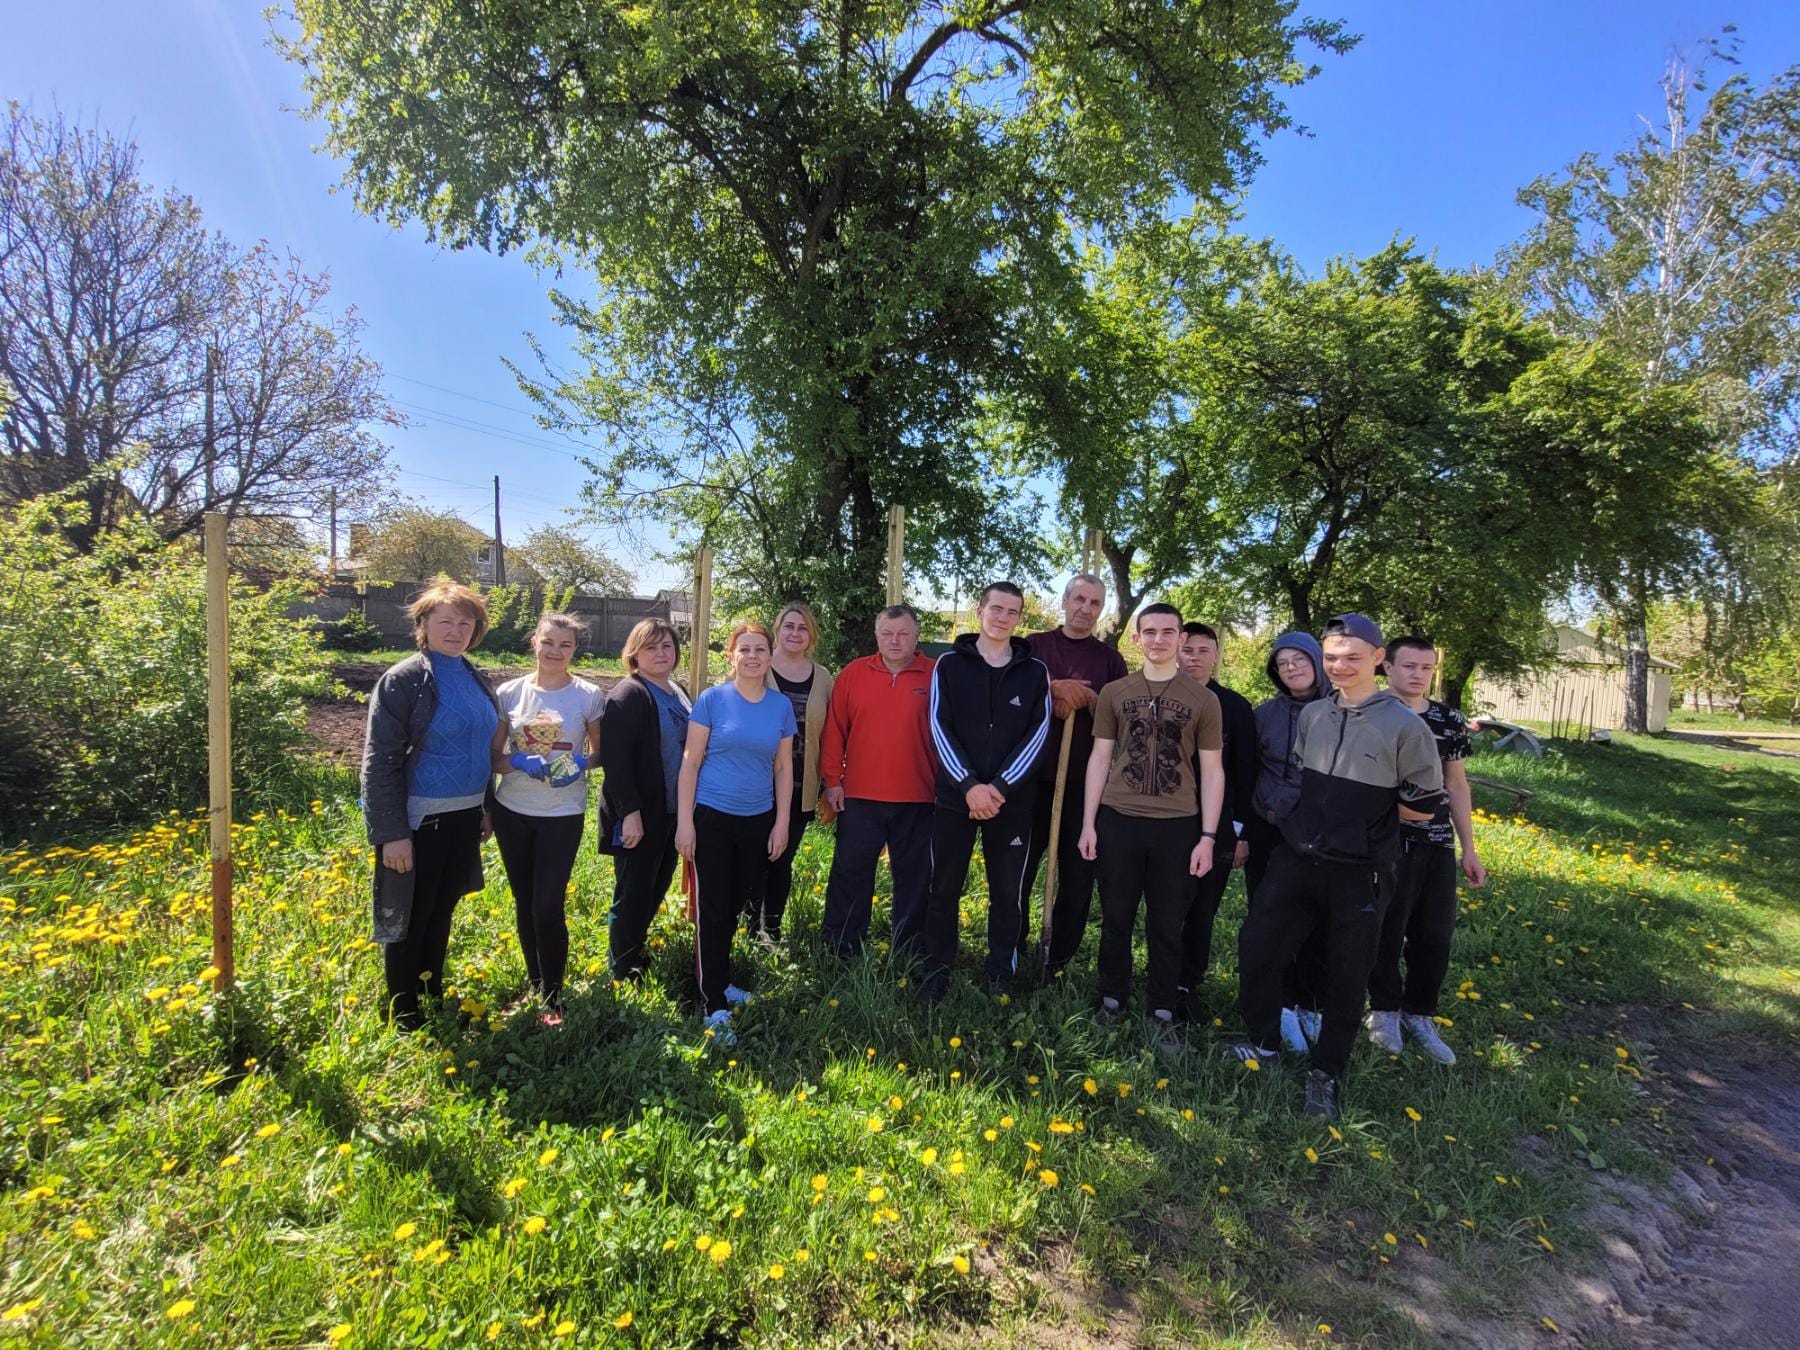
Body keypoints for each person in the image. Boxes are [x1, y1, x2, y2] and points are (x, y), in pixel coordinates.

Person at [1230, 614, 1446, 1121]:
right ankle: (1263, 1043)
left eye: (1352, 657)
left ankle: (1325, 1072)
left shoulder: (1405, 726)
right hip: (1297, 858)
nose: (1340, 666)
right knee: (1257, 948)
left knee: (1347, 975)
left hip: (1359, 870)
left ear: (1378, 659)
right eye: (1331, 657)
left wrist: (1363, 829)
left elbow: (1422, 805)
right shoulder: (1315, 716)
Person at [1077, 603, 1223, 1054]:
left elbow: (1213, 771)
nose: (1159, 640)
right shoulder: (1115, 692)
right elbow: (1100, 758)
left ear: (1181, 638)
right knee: (1116, 918)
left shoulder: (1204, 699)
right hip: (1119, 819)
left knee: (1167, 924)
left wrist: (1208, 836)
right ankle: (1111, 999)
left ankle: (1162, 1010)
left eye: (1168, 632)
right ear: (1136, 638)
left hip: (1177, 826)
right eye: (1150, 632)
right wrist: (1088, 823)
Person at [361, 580, 506, 1030]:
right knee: (412, 918)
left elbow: (481, 749)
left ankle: (431, 998)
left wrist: (486, 806)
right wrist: (392, 834)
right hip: (420, 820)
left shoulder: (476, 677)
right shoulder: (404, 680)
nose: (456, 631)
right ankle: (403, 1014)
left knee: (441, 911)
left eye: (466, 623)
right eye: (446, 621)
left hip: (464, 818)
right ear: (423, 623)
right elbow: (380, 761)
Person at [923, 582, 1051, 998]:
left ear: (1019, 619)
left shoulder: (1035, 672)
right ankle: (936, 968)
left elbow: (1038, 735)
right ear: (980, 611)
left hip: (1011, 804)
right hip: (954, 799)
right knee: (944, 887)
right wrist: (968, 786)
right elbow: (938, 726)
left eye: (1012, 612)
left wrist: (998, 788)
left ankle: (1000, 973)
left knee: (1007, 892)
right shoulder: (948, 665)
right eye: (996, 608)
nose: (1003, 617)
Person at [1365, 635, 1487, 1065]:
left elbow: (1457, 784)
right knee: (1387, 927)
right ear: (1387, 667)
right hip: (1387, 840)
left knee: (1434, 933)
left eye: (1426, 668)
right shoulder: (1370, 711)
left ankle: (1419, 1013)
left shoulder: (1448, 720)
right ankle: (1383, 1010)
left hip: (1435, 841)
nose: (1418, 675)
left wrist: (1469, 848)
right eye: (1409, 666)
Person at [675, 624, 795, 1045]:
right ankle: (712, 1004)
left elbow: (784, 767)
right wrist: (685, 822)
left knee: (737, 904)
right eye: (744, 649)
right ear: (731, 655)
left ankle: (722, 981)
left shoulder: (780, 706)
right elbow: (690, 762)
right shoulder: (712, 700)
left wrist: (781, 822)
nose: (752, 656)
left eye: (760, 649)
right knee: (713, 909)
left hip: (757, 819)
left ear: (770, 656)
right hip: (712, 818)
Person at [489, 613, 604, 1025]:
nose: (556, 651)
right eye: (549, 642)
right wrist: (518, 761)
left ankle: (554, 997)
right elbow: (494, 758)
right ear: (534, 642)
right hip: (513, 811)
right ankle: (535, 984)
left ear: (575, 650)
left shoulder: (588, 695)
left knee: (548, 904)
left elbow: (601, 752)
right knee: (525, 902)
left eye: (565, 644)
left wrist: (581, 764)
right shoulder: (509, 693)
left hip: (562, 812)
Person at [818, 605, 938, 960]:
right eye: (887, 633)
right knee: (850, 874)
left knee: (915, 879)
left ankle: (909, 953)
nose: (894, 641)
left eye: (903, 634)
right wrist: (832, 780)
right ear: (876, 636)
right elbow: (834, 730)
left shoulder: (936, 674)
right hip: (859, 796)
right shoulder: (854, 673)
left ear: (917, 636)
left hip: (920, 796)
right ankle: (840, 949)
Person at [1024, 574, 1127, 974]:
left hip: (1085, 786)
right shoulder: (1034, 646)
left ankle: (1058, 957)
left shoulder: (1109, 660)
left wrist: (1093, 699)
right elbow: (1012, 691)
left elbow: (1120, 715)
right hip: (1029, 781)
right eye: (1079, 599)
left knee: (1078, 876)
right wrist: (1052, 688)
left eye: (1095, 603)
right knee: (1019, 871)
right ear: (1064, 600)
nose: (1086, 608)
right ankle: (1011, 949)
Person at [1249, 632, 1333, 1053]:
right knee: (1269, 919)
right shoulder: (1264, 715)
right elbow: (1248, 770)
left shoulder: (1341, 712)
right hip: (1270, 827)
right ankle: (1279, 1004)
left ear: (1317, 661)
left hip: (1321, 831)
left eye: (1299, 660)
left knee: (1318, 920)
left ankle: (1310, 1002)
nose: (1291, 669)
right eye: (1282, 663)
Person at [598, 618, 691, 982]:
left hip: (671, 811)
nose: (661, 653)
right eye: (651, 647)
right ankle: (622, 968)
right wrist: (630, 813)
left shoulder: (677, 691)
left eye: (667, 646)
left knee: (656, 886)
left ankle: (635, 951)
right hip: (641, 814)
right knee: (633, 892)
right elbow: (616, 761)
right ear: (635, 653)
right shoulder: (629, 694)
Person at [1173, 622, 1258, 1019]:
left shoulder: (1235, 708)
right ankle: (1159, 973)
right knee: (1167, 904)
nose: (1194, 658)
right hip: (1167, 821)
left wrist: (1239, 830)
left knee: (1202, 907)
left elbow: (1246, 771)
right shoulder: (1160, 696)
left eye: (1203, 651)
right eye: (1188, 650)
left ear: (1216, 655)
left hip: (1218, 825)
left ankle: (1187, 982)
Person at [752, 603, 836, 941]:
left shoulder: (823, 677)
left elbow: (832, 733)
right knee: (752, 859)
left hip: (802, 785)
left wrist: (831, 781)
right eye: (789, 626)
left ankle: (771, 930)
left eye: (803, 628)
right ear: (777, 630)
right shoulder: (757, 665)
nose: (795, 633)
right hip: (755, 783)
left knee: (781, 858)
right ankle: (746, 930)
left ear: (811, 636)